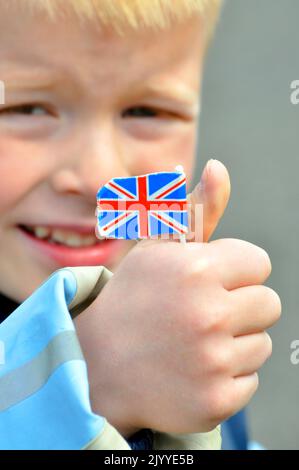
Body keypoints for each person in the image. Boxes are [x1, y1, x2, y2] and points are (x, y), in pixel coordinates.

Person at [0, 0, 281, 450]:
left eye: (146, 112)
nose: (97, 177)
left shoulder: (184, 329)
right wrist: (90, 375)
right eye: (28, 109)